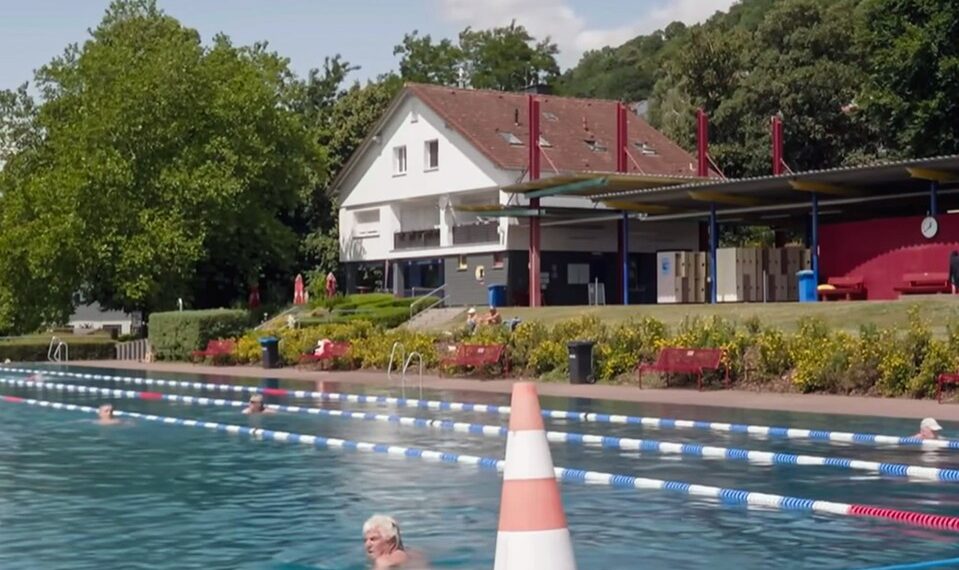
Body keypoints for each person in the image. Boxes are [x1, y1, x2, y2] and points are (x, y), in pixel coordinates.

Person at [363, 515, 429, 569]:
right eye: (365, 540)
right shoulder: (416, 554)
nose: (367, 545)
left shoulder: (384, 561)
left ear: (390, 539)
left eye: (373, 539)